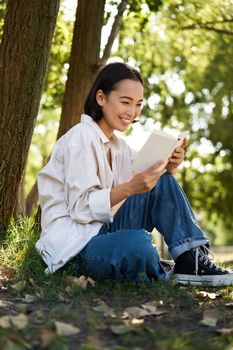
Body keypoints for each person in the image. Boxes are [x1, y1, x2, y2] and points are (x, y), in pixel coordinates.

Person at [36, 62, 233, 287]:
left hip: (105, 230)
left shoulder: (120, 146)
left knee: (162, 179)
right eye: (125, 102)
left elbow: (153, 186)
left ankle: (191, 259)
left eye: (138, 104)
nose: (132, 112)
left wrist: (170, 165)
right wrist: (131, 187)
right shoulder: (80, 139)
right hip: (76, 246)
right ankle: (155, 264)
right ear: (101, 98)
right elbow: (81, 209)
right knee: (139, 244)